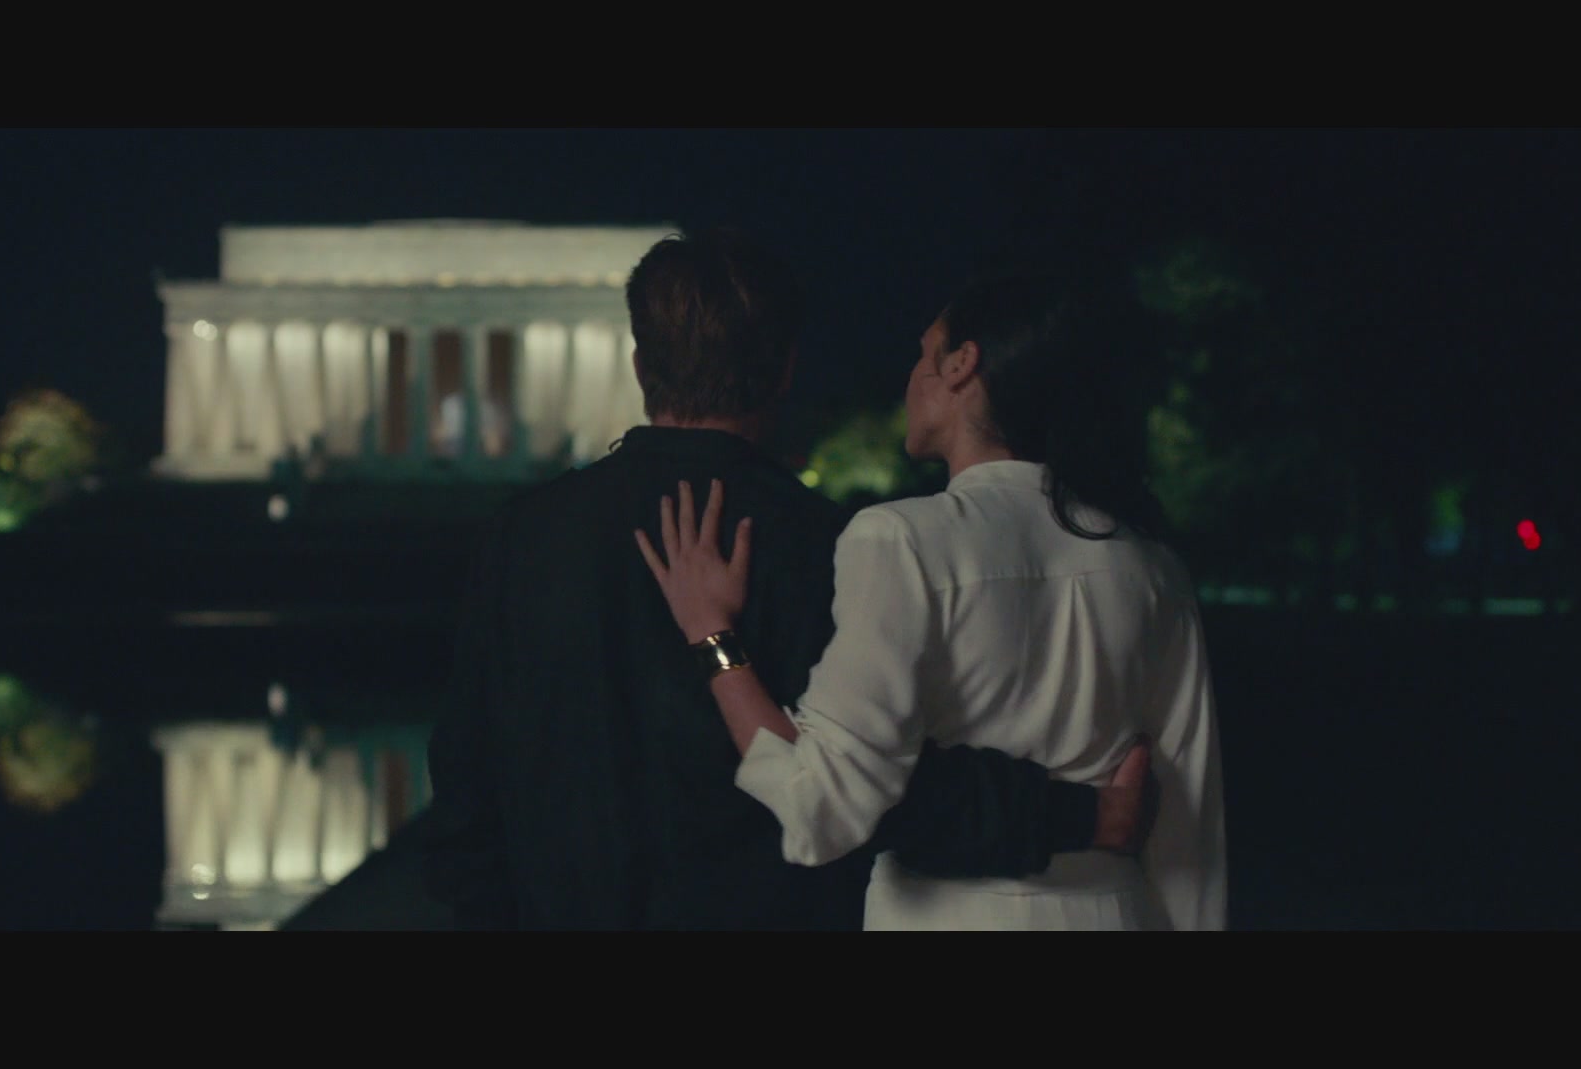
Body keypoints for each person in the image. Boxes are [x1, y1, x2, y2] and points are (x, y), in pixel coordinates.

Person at [423, 230, 1153, 930]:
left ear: (641, 367)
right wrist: (1078, 814)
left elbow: (466, 783)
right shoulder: (832, 545)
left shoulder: (522, 538)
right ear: (785, 372)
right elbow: (878, 786)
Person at [635, 270, 1226, 930]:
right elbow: (1188, 838)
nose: (912, 376)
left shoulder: (902, 540)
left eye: (923, 354)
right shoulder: (1153, 566)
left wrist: (711, 634)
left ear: (961, 364)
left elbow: (819, 804)